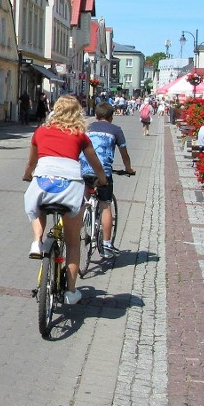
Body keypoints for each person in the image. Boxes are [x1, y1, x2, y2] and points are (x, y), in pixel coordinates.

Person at [22, 95, 107, 305]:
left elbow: (32, 162)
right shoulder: (80, 135)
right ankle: (70, 292)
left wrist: (27, 175)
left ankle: (37, 241)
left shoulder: (40, 131)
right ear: (77, 113)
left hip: (43, 184)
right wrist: (102, 179)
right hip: (70, 189)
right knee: (72, 243)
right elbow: (94, 161)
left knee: (36, 206)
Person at [79, 102, 136, 258]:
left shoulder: (86, 128)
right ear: (111, 117)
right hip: (102, 173)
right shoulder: (116, 130)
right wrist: (129, 169)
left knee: (84, 200)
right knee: (105, 205)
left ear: (96, 116)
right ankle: (106, 244)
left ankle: (79, 225)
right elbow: (124, 154)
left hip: (83, 169)